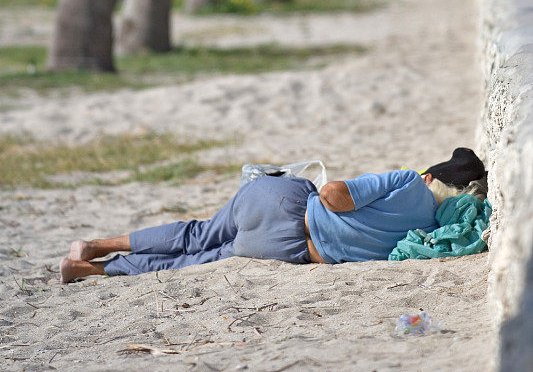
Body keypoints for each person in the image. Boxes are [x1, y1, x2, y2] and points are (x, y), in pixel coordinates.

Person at [59, 147, 487, 283]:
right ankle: (92, 272)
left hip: (287, 204)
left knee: (196, 234)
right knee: (199, 259)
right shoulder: (430, 235)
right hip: (292, 250)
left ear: (433, 175)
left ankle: (98, 245)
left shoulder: (409, 182)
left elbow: (335, 193)